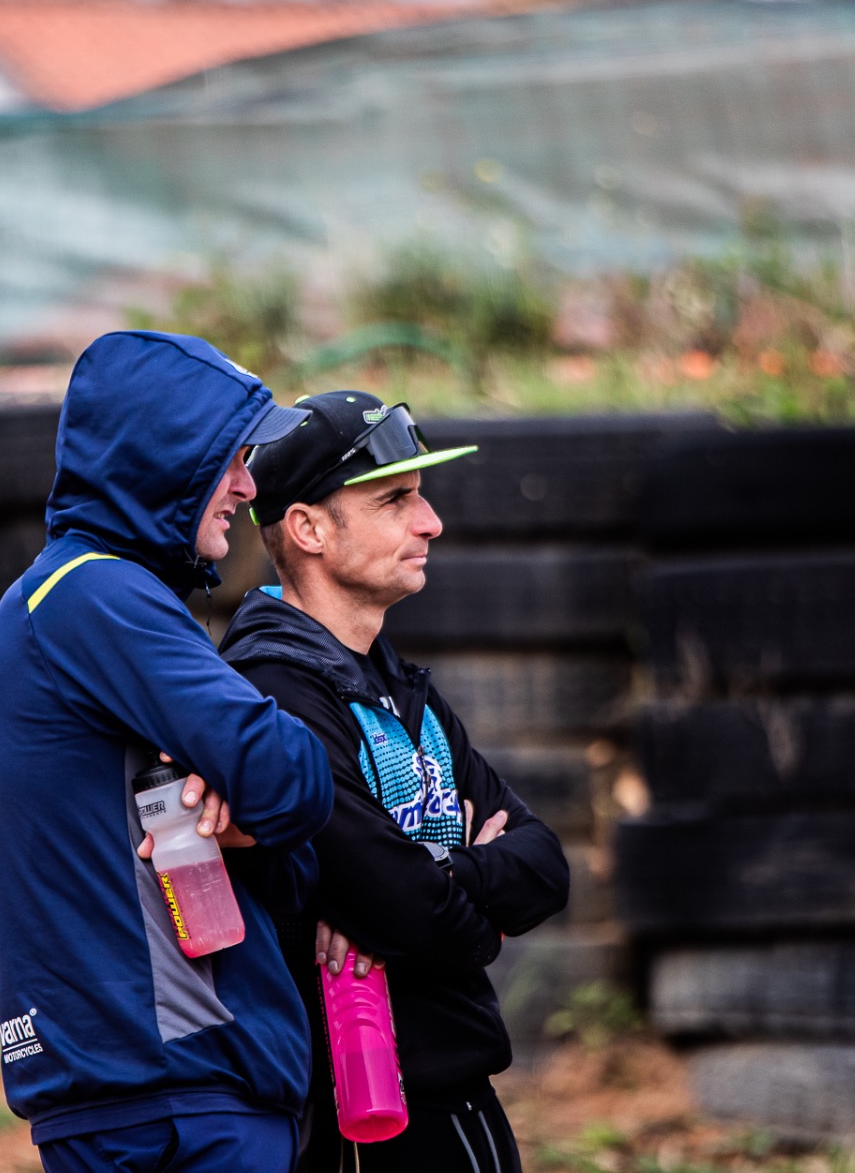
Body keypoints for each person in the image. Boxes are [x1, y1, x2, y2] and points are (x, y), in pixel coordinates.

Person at [0, 331, 336, 1171]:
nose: (248, 487)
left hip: (144, 1087)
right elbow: (290, 773)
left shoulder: (72, 595)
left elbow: (284, 845)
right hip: (176, 1096)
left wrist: (243, 809)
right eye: (233, 458)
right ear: (166, 455)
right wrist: (250, 792)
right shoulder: (98, 592)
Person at [219, 391, 571, 1173]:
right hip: (355, 1116)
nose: (431, 522)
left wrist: (446, 879)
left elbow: (545, 863)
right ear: (308, 528)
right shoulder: (274, 693)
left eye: (421, 496)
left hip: (455, 1090)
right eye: (394, 500)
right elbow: (403, 905)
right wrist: (475, 914)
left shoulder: (399, 684)